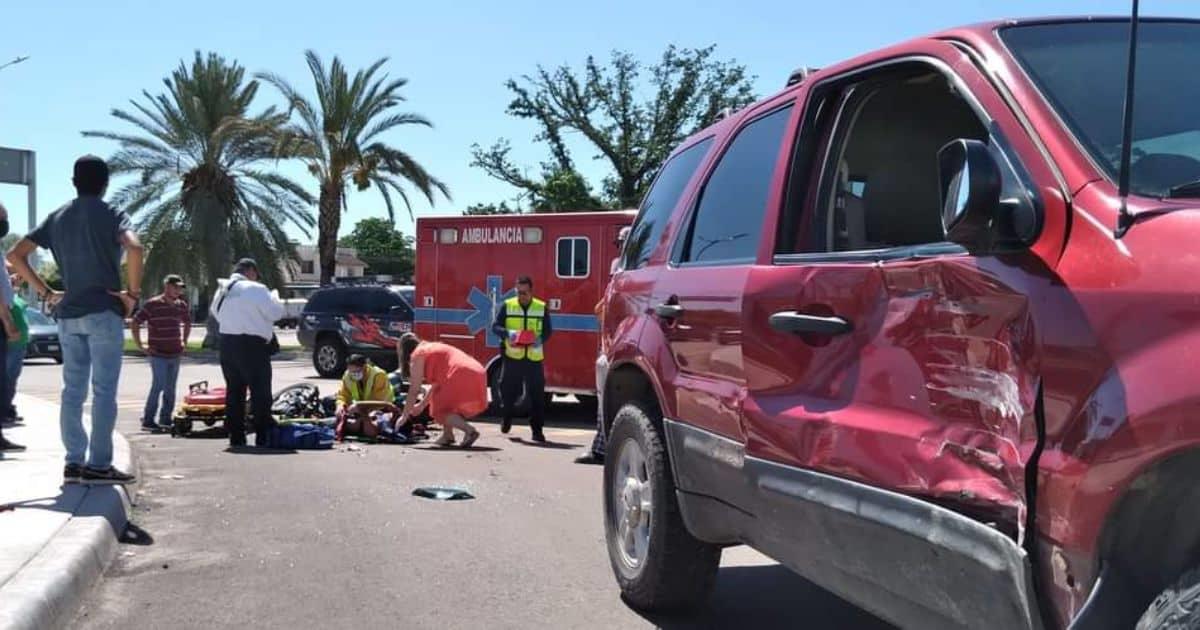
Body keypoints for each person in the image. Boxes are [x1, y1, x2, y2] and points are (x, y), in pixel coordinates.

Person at [7, 155, 144, 482]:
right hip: (104, 311)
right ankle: (98, 465)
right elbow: (136, 248)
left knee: (72, 391)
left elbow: (15, 255)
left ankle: (73, 461)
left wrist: (45, 291)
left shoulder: (58, 216)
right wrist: (132, 295)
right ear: (105, 183)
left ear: (74, 182)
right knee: (104, 390)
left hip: (68, 315)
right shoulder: (112, 214)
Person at [210, 258, 283, 448]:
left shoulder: (222, 289)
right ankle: (262, 436)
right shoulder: (256, 289)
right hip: (252, 345)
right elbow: (275, 313)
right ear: (250, 270)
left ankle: (236, 437)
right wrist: (274, 298)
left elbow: (215, 313)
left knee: (234, 392)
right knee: (260, 393)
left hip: (227, 344)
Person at [491, 275, 552, 443]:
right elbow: (495, 326)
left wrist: (540, 339)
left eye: (524, 293)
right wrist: (507, 334)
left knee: (537, 397)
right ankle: (507, 417)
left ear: (531, 292)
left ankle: (537, 431)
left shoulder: (541, 307)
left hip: (533, 358)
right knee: (508, 392)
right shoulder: (508, 306)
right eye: (518, 292)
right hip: (513, 356)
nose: (521, 296)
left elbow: (548, 330)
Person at [397, 332, 485, 448]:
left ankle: (469, 430)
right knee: (442, 403)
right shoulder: (432, 347)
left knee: (440, 412)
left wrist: (404, 415)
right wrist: (422, 405)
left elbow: (414, 389)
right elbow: (436, 385)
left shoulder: (418, 355)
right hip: (477, 371)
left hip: (459, 373)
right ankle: (447, 435)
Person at [132, 274, 191, 433]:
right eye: (175, 287)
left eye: (180, 288)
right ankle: (148, 419)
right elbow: (136, 322)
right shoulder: (153, 304)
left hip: (175, 353)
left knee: (170, 388)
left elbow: (187, 323)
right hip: (158, 353)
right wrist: (140, 345)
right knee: (158, 386)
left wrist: (184, 340)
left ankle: (165, 419)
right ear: (167, 287)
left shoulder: (181, 305)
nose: (178, 290)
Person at [334, 354, 396, 440]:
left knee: (368, 427)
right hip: (363, 409)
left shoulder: (378, 375)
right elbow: (343, 395)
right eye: (351, 371)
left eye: (357, 371)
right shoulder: (348, 376)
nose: (354, 374)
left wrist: (359, 407)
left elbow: (378, 401)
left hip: (383, 408)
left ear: (364, 367)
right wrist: (340, 405)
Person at [3, 264, 30, 428]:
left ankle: (8, 409)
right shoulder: (5, 299)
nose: (15, 277)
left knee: (11, 381)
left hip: (19, 345)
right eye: (11, 275)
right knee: (7, 380)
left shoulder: (15, 297)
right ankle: (5, 411)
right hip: (10, 344)